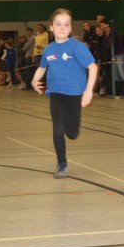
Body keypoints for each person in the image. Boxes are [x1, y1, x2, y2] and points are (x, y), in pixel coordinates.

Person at [31, 9, 98, 179]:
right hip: (56, 93)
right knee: (57, 129)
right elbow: (42, 67)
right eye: (58, 24)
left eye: (66, 24)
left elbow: (92, 67)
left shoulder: (77, 46)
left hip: (74, 95)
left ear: (70, 27)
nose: (62, 28)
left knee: (72, 134)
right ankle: (62, 164)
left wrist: (88, 91)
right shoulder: (49, 49)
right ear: (51, 27)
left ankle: (70, 129)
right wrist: (34, 80)